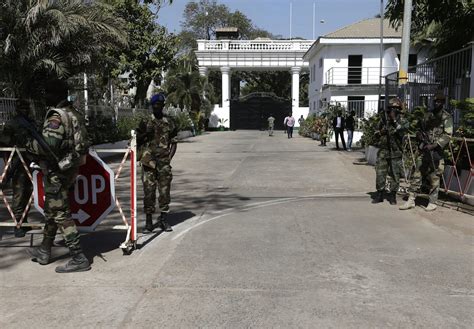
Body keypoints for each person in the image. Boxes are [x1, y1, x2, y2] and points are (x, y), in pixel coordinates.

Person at [27, 79, 91, 273]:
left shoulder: (56, 116)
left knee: (61, 214)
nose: (45, 96)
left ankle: (78, 257)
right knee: (51, 211)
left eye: (48, 93)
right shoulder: (75, 114)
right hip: (70, 169)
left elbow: (49, 145)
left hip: (57, 172)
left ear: (56, 95)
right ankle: (44, 250)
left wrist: (29, 145)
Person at [400, 91, 453, 212]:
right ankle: (411, 199)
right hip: (424, 150)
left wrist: (434, 145)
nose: (436, 103)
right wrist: (419, 135)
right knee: (416, 174)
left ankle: (432, 202)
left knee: (434, 177)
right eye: (435, 101)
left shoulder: (446, 117)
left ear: (443, 103)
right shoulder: (427, 115)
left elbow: (448, 135)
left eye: (439, 101)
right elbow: (420, 128)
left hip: (436, 152)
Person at [136, 93, 178, 232]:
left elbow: (174, 143)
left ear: (163, 106)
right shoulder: (145, 121)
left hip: (164, 163)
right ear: (152, 106)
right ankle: (148, 222)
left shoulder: (170, 122)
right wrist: (144, 134)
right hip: (148, 163)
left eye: (159, 105)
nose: (157, 108)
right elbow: (136, 140)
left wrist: (168, 159)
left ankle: (163, 220)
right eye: (155, 105)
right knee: (149, 192)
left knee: (165, 192)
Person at [0, 99, 34, 237]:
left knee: (29, 191)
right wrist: (7, 164)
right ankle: (17, 224)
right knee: (19, 193)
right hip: (16, 162)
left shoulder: (31, 123)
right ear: (17, 109)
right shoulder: (12, 124)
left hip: (30, 161)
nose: (25, 110)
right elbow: (3, 144)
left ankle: (24, 220)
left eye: (26, 107)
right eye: (22, 108)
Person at [372, 98, 408, 205]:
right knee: (380, 173)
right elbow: (375, 133)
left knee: (395, 175)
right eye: (392, 108)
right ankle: (380, 194)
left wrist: (394, 121)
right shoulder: (383, 119)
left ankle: (392, 195)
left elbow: (402, 131)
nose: (393, 110)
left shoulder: (402, 120)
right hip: (383, 151)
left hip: (396, 152)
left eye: (396, 108)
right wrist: (381, 132)